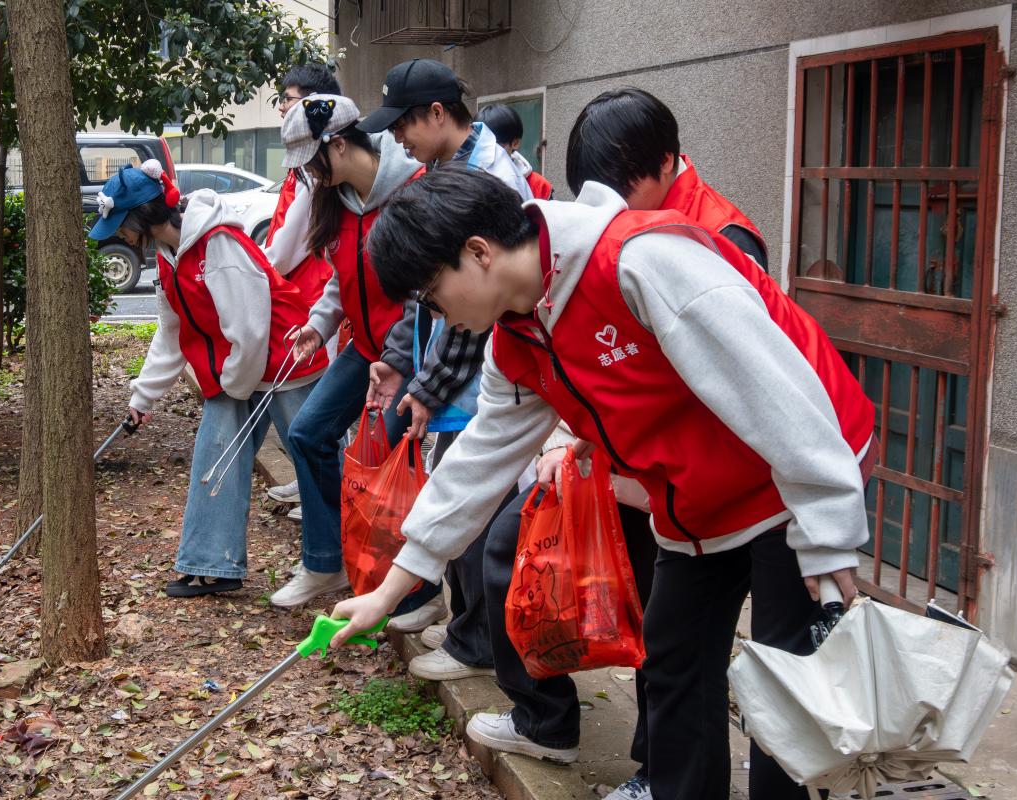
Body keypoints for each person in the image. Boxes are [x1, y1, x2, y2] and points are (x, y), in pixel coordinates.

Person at [331, 166, 876, 800]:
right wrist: (390, 590)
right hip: (694, 502)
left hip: (796, 479)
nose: (437, 314)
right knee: (672, 663)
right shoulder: (516, 337)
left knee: (786, 687)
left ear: (478, 253)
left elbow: (773, 391)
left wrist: (829, 527)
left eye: (431, 292)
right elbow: (477, 461)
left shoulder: (637, 262)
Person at [468, 87, 775, 800]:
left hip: (725, 483)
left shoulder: (719, 237)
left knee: (725, 654)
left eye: (623, 189)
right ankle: (659, 773)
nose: (611, 209)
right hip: (642, 470)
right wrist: (585, 430)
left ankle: (675, 774)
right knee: (668, 638)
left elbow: (736, 383)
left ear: (668, 164)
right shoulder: (609, 240)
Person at [357, 58, 533, 658]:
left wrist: (429, 385)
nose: (397, 138)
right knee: (464, 487)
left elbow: (467, 319)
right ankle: (468, 630)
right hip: (462, 376)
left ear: (438, 112)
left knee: (488, 520)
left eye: (402, 124)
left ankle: (477, 643)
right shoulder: (445, 171)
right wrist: (404, 360)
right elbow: (435, 304)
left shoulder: (487, 180)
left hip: (477, 379)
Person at [90, 159, 327, 597]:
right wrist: (143, 397)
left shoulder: (217, 243)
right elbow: (172, 332)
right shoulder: (168, 257)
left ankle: (350, 556)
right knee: (214, 456)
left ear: (143, 216)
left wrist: (232, 386)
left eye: (121, 225)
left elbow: (250, 328)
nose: (119, 235)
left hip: (285, 361)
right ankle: (211, 564)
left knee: (317, 463)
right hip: (238, 369)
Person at [269, 95, 440, 620]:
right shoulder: (338, 201)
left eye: (311, 161)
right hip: (363, 348)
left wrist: (398, 358)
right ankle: (327, 561)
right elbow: (342, 281)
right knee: (308, 434)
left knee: (383, 459)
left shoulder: (413, 192)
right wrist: (318, 327)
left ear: (339, 144)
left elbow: (424, 293)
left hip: (409, 353)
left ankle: (415, 589)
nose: (308, 174)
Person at [261, 64, 343, 519]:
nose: (280, 107)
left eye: (288, 99)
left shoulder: (315, 170)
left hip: (311, 294)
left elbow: (290, 242)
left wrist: (262, 271)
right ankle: (311, 482)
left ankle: (326, 493)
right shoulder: (305, 166)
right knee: (309, 403)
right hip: (302, 292)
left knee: (317, 403)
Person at [568, 87, 767, 270]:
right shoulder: (614, 223)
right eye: (595, 196)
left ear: (664, 161)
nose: (608, 207)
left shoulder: (726, 240)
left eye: (619, 191)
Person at [475, 103, 554, 200]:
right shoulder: (467, 179)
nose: (490, 152)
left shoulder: (538, 185)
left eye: (497, 146)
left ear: (515, 143)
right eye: (483, 146)